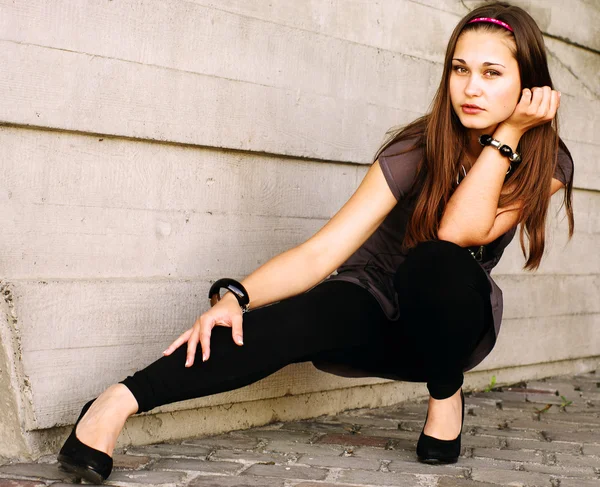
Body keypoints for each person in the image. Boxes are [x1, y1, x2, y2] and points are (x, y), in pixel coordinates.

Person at [57, 1, 574, 482]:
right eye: (459, 69)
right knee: (296, 319)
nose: (471, 88)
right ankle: (116, 403)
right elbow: (324, 251)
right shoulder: (417, 147)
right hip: (372, 305)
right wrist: (234, 297)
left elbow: (458, 232)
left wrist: (508, 135)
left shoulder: (547, 161)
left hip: (451, 324)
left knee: (436, 262)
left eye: (491, 73)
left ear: (529, 86)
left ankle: (445, 391)